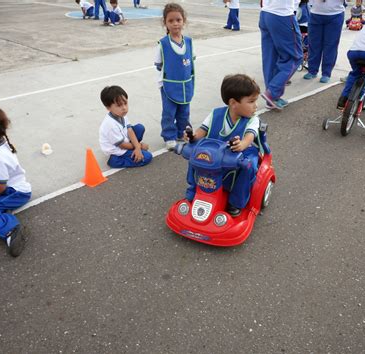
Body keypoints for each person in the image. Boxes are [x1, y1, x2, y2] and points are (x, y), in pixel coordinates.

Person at [184, 74, 261, 217]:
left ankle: (236, 202)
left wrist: (242, 144)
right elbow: (201, 132)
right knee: (194, 156)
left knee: (248, 166)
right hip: (216, 152)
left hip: (243, 152)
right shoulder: (216, 114)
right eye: (251, 101)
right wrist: (192, 137)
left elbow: (249, 137)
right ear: (233, 103)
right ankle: (194, 188)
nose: (256, 106)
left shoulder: (252, 120)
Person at [0, 105, 31, 257]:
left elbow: (0, 187)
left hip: (15, 192)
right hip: (2, 188)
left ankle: (11, 229)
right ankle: (0, 208)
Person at [154, 3, 194, 150]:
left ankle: (182, 132)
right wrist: (161, 83)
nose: (175, 23)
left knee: (184, 111)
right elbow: (158, 64)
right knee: (169, 112)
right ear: (165, 22)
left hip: (185, 84)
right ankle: (169, 136)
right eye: (171, 21)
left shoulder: (188, 42)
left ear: (183, 20)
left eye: (178, 20)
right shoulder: (162, 44)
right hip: (168, 85)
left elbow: (191, 62)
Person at [259, 0, 302, 110]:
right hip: (282, 15)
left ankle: (272, 98)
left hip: (265, 13)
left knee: (270, 57)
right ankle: (272, 92)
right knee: (294, 57)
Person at [99, 86, 153, 168]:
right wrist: (140, 146)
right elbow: (122, 145)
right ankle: (115, 161)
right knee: (147, 157)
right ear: (108, 108)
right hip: (118, 149)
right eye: (119, 105)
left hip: (124, 141)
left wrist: (137, 147)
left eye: (125, 103)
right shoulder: (110, 125)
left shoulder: (121, 115)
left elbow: (130, 130)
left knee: (139, 128)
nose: (124, 108)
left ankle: (133, 149)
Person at [303, 0, 346, 84]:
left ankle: (326, 73)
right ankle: (312, 70)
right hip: (315, 14)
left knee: (330, 45)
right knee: (314, 44)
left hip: (335, 14)